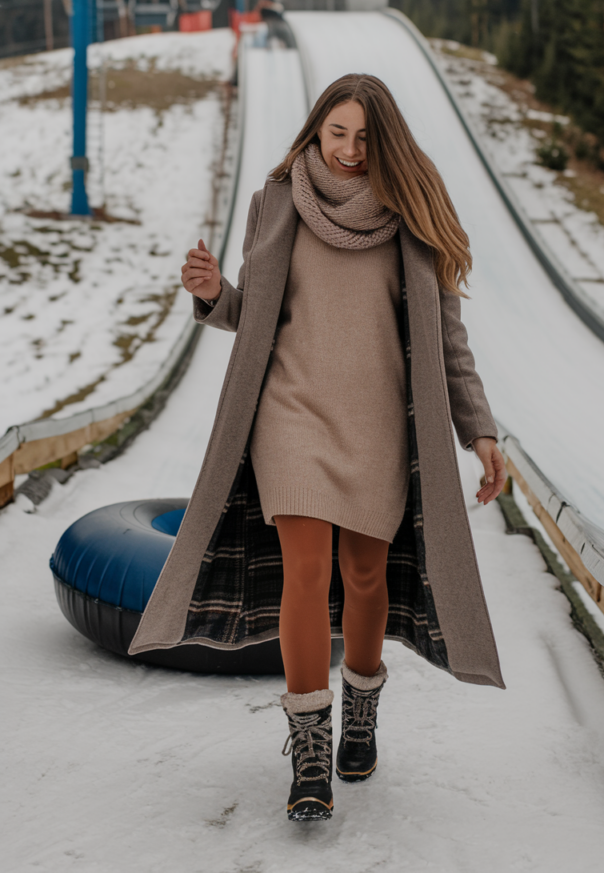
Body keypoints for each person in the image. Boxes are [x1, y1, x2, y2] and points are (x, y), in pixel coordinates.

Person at [129, 73, 507, 823]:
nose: (349, 150)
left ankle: (360, 708)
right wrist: (212, 294)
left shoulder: (415, 216)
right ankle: (309, 746)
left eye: (365, 138)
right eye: (337, 133)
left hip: (377, 426)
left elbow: (448, 343)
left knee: (364, 578)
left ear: (385, 142)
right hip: (289, 415)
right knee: (305, 571)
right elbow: (256, 312)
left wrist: (482, 431)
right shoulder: (276, 204)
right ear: (314, 131)